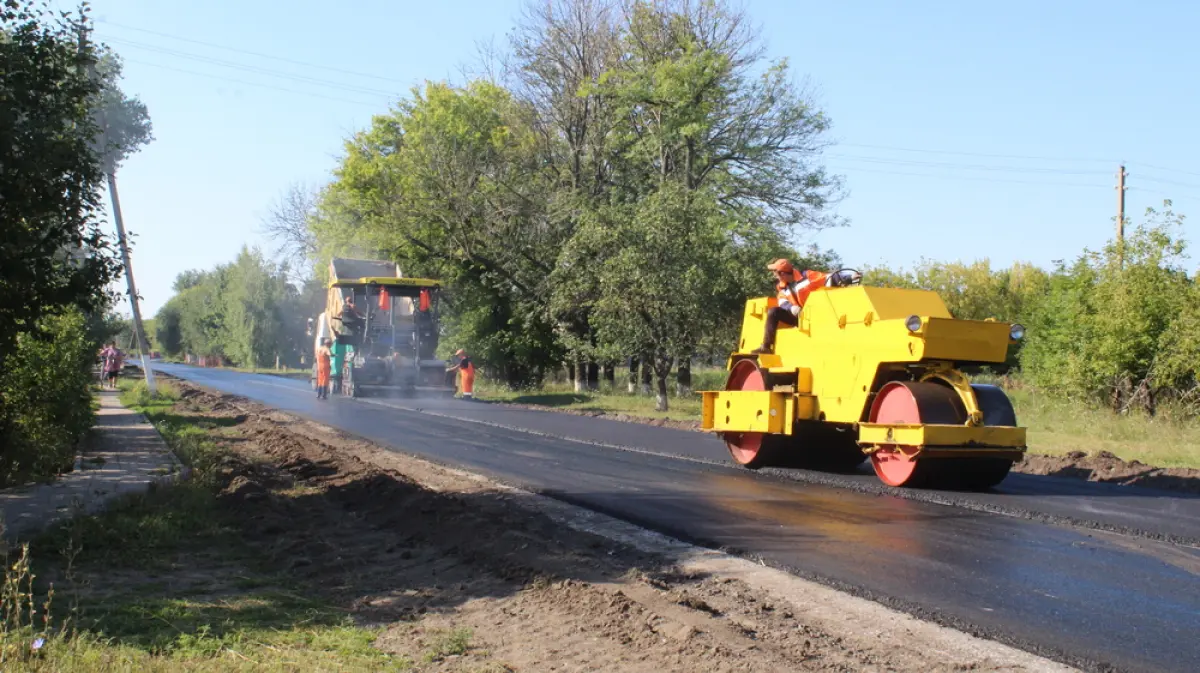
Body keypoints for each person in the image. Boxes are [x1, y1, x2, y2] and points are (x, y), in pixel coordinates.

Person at [750, 259, 860, 354]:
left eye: (775, 272)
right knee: (773, 312)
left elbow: (828, 277)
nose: (774, 274)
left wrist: (850, 277)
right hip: (798, 316)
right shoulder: (782, 287)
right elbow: (782, 301)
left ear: (782, 274)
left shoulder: (807, 276)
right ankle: (766, 347)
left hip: (814, 316)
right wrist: (792, 308)